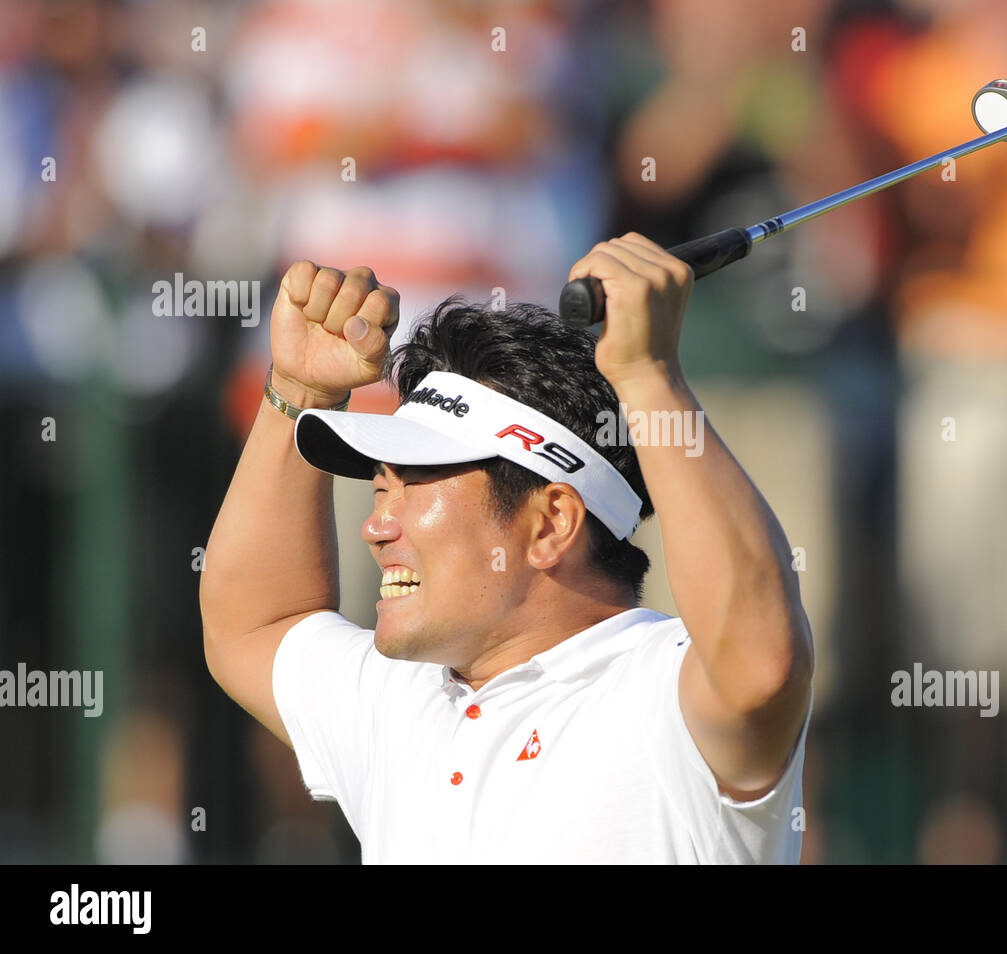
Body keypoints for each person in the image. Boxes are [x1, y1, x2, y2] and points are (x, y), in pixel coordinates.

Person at [198, 234, 814, 863]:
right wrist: (299, 392)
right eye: (380, 489)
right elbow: (254, 621)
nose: (376, 527)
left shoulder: (660, 691)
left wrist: (648, 378)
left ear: (550, 524)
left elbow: (763, 666)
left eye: (413, 484)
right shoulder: (404, 698)